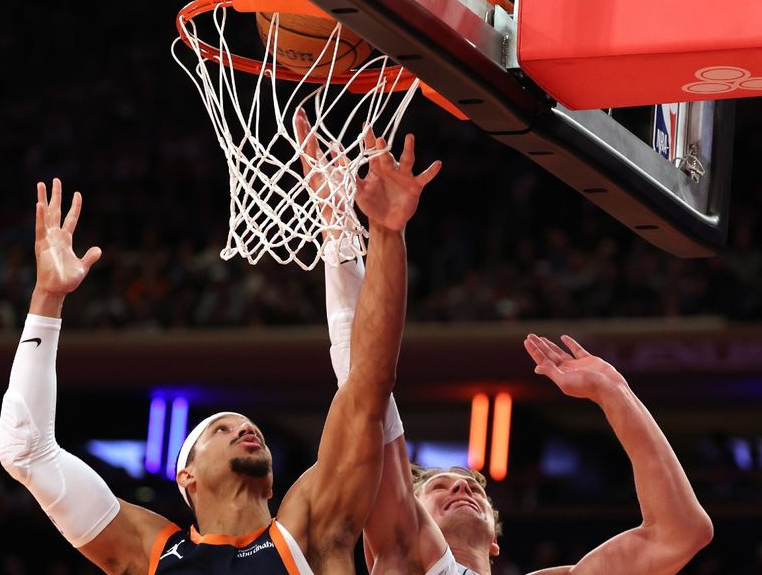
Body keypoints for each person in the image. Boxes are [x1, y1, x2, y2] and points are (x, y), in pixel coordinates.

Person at [0, 122, 441, 575]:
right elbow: (24, 448)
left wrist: (383, 234)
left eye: (245, 426)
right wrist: (47, 298)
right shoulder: (148, 552)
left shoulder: (309, 527)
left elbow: (369, 382)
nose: (245, 430)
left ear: (271, 488)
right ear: (185, 477)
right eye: (219, 430)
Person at [302, 119, 714, 573]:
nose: (461, 489)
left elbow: (681, 534)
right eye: (440, 489)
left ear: (496, 543)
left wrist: (615, 392)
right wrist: (354, 233)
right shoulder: (403, 548)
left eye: (471, 489)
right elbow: (366, 388)